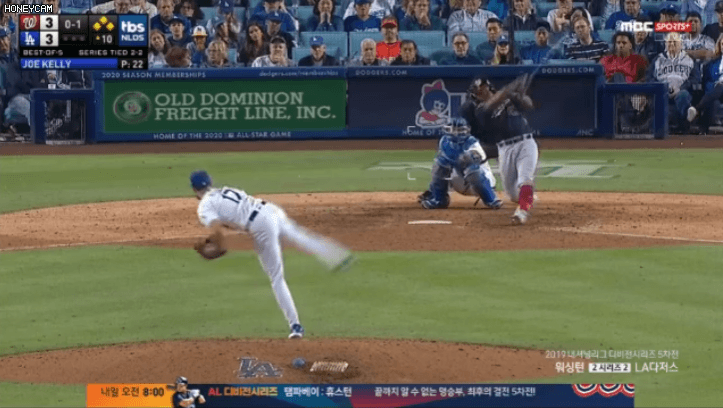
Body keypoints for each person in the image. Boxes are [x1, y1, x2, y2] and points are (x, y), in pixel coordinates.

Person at [190, 170, 354, 339]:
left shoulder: (205, 206)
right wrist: (215, 241)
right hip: (271, 210)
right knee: (300, 236)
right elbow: (227, 221)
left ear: (194, 189)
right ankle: (338, 256)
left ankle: (295, 326)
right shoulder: (225, 190)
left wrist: (218, 248)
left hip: (260, 225)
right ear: (210, 182)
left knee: (276, 277)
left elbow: (218, 229)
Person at [464, 74, 539, 224]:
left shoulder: (508, 98)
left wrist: (518, 95)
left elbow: (528, 105)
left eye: (483, 87)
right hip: (504, 149)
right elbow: (492, 104)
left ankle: (522, 212)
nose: (482, 91)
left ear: (489, 87)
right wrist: (510, 88)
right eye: (478, 91)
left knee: (525, 179)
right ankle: (527, 198)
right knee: (512, 194)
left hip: (526, 143)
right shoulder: (481, 110)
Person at [417, 116, 502, 211]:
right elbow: (444, 165)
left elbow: (474, 161)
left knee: (471, 167)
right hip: (459, 181)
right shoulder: (444, 141)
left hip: (480, 184)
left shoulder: (472, 143)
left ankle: (491, 199)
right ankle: (439, 199)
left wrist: (465, 157)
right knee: (440, 164)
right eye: (453, 130)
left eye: (459, 130)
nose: (455, 133)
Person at [648, 32, 700, 133]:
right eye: (669, 42)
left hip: (682, 91)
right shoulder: (657, 59)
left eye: (675, 42)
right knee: (657, 98)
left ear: (681, 44)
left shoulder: (689, 59)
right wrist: (661, 88)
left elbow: (696, 79)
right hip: (661, 91)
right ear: (665, 44)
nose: (672, 44)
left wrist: (681, 88)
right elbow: (649, 77)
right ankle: (686, 114)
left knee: (683, 95)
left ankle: (685, 123)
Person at [688, 34, 723, 133]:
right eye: (722, 44)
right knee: (712, 101)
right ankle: (703, 132)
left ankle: (696, 109)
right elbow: (707, 80)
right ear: (719, 46)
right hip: (715, 93)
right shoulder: (713, 63)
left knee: (720, 86)